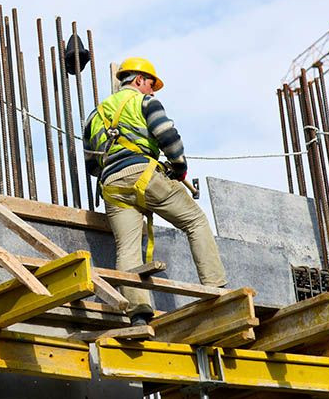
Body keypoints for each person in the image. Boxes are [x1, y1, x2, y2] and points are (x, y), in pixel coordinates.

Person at [83, 57, 227, 325]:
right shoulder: (144, 102)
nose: (152, 90)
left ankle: (138, 313)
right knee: (195, 221)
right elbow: (168, 136)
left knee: (126, 248)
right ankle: (216, 289)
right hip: (145, 175)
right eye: (151, 84)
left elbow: (91, 164)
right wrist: (179, 168)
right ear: (138, 80)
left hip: (112, 186)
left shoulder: (94, 115)